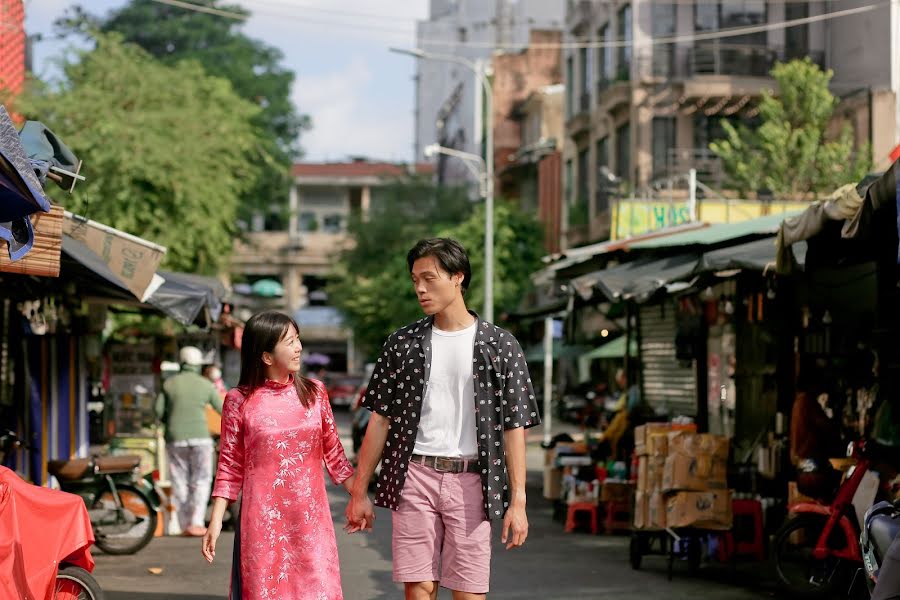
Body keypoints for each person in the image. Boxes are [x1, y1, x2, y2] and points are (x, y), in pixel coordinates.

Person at [345, 238, 541, 600]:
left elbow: (515, 428)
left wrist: (519, 502)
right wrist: (359, 491)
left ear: (457, 278)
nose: (420, 288)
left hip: (473, 481)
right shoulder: (402, 344)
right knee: (419, 589)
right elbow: (380, 421)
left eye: (429, 278)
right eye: (415, 279)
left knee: (469, 591)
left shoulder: (500, 345)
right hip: (414, 476)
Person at [202, 310, 358, 600]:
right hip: (263, 521)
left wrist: (358, 496)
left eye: (298, 339)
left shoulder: (315, 392)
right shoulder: (239, 400)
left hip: (311, 520)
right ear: (266, 356)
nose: (298, 347)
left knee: (319, 591)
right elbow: (229, 466)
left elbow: (334, 452)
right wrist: (216, 520)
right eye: (290, 342)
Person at [156, 346, 224, 537]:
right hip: (202, 439)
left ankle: (185, 523)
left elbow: (158, 412)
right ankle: (197, 521)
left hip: (175, 439)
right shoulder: (205, 384)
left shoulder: (169, 384)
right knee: (201, 479)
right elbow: (222, 408)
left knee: (180, 480)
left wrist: (170, 420)